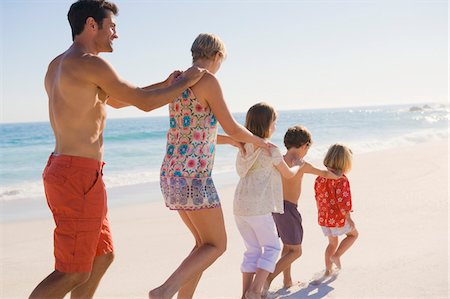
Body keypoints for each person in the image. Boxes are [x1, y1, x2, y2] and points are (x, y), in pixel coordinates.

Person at [29, 1, 205, 298]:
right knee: (73, 270)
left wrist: (164, 83)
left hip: (73, 171)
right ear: (91, 25)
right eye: (112, 26)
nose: (116, 34)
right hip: (77, 174)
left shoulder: (58, 64)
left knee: (102, 256)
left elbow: (122, 99)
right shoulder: (90, 63)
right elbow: (144, 103)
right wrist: (188, 80)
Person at [149, 34, 271, 299]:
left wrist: (232, 143)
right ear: (217, 56)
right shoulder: (207, 79)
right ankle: (164, 291)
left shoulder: (179, 82)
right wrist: (258, 141)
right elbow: (230, 125)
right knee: (217, 245)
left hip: (171, 174)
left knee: (202, 246)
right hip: (194, 178)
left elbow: (198, 131)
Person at [233, 103, 302, 299]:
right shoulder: (271, 149)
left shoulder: (244, 146)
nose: (275, 127)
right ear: (266, 124)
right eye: (274, 122)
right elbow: (288, 175)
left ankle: (244, 294)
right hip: (258, 206)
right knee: (272, 248)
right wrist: (298, 166)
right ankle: (255, 291)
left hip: (239, 206)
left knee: (252, 250)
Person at [262, 126, 340, 294]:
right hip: (289, 209)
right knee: (296, 251)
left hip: (275, 208)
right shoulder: (301, 164)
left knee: (287, 246)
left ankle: (287, 280)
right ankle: (267, 278)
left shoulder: (279, 161)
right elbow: (324, 173)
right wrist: (339, 176)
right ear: (305, 145)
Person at [312, 143, 358, 284]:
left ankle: (328, 270)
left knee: (332, 243)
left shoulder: (320, 177)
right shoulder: (341, 179)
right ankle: (337, 256)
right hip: (338, 217)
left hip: (324, 217)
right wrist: (348, 217)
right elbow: (342, 201)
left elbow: (318, 197)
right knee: (353, 235)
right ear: (345, 162)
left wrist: (322, 214)